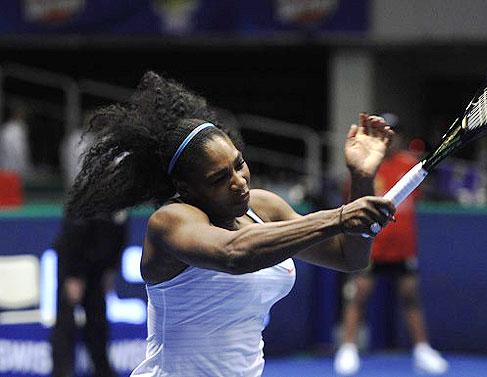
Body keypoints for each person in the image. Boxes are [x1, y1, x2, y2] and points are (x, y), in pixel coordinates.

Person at [64, 71, 396, 377]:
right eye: (220, 178)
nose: (239, 182)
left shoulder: (263, 206)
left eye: (239, 164)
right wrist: (338, 217)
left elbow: (349, 257)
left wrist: (361, 180)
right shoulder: (170, 221)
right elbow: (234, 254)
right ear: (187, 189)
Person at [334, 116, 448, 375]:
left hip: (403, 249)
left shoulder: (411, 166)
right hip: (371, 248)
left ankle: (422, 351)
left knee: (411, 297)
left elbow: (425, 192)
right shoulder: (365, 169)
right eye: (388, 132)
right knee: (358, 297)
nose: (392, 138)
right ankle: (348, 349)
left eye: (396, 132)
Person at [51, 113, 128, 377]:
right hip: (74, 261)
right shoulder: (86, 187)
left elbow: (119, 233)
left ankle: (102, 370)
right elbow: (74, 235)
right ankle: (61, 372)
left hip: (98, 265)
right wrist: (73, 276)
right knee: (66, 321)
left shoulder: (118, 191)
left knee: (97, 320)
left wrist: (110, 269)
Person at [0, 103, 32, 177]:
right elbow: (19, 151)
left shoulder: (5, 128)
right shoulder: (17, 130)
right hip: (13, 170)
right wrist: (26, 169)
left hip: (5, 168)